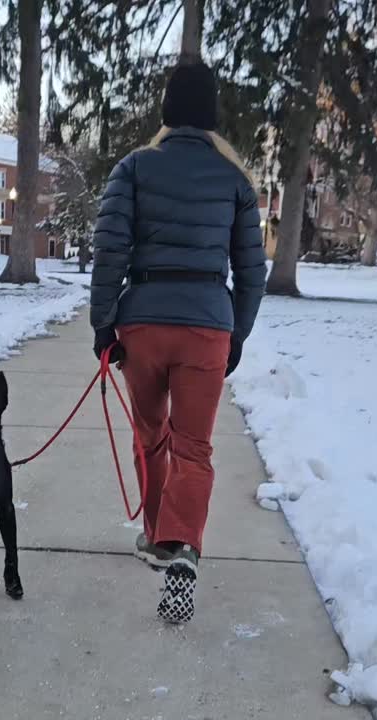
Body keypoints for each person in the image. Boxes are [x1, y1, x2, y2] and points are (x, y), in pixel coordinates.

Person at [90, 61, 266, 624]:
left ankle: (156, 536)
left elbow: (109, 251)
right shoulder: (235, 180)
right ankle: (183, 550)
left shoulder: (135, 168)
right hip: (207, 327)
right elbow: (252, 270)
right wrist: (237, 330)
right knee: (195, 447)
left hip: (143, 322)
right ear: (211, 118)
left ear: (166, 113)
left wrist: (103, 325)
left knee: (149, 435)